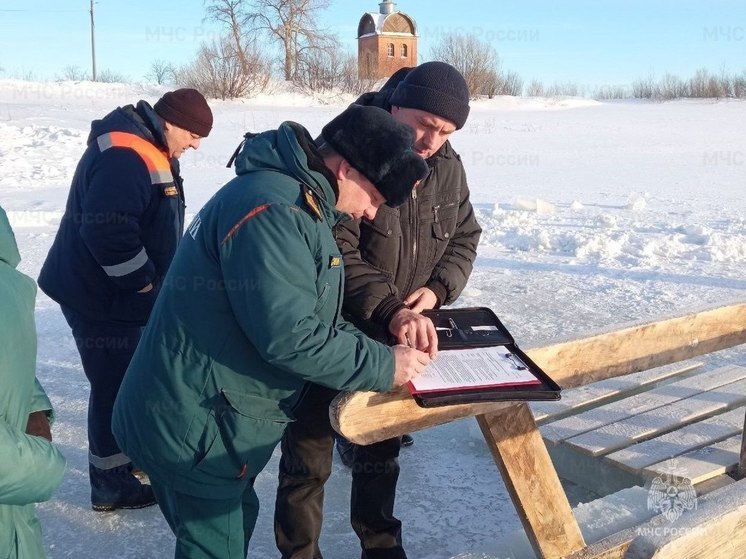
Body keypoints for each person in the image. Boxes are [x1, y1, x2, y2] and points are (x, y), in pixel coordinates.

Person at [111, 104, 431, 558]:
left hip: (210, 423)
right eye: (376, 198)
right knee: (215, 540)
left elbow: (314, 313)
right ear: (345, 169)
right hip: (194, 428)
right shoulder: (275, 211)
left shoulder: (300, 204)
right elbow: (290, 336)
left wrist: (379, 344)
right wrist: (383, 365)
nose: (373, 214)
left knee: (234, 521)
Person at [275, 61, 482, 559]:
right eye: (424, 125)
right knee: (309, 453)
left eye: (446, 131)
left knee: (381, 450)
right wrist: (389, 307)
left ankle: (381, 545)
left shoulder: (448, 166)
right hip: (333, 326)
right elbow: (336, 247)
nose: (431, 140)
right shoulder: (354, 149)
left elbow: (465, 237)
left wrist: (435, 290)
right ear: (395, 106)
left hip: (399, 336)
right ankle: (300, 553)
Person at [37, 88, 213, 512]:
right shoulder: (126, 154)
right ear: (169, 121)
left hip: (114, 295)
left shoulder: (149, 145)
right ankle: (110, 483)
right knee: (113, 383)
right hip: (97, 296)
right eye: (192, 134)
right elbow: (108, 233)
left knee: (127, 378)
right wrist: (142, 285)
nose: (195, 145)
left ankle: (129, 457)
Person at [1, 206, 67, 558]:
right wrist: (46, 466)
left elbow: (11, 353)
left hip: (15, 518)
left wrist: (30, 402)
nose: (196, 145)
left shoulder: (6, 279)